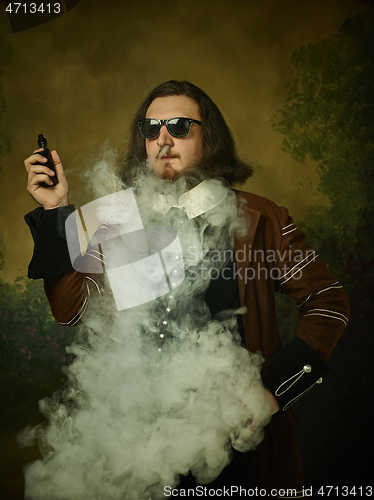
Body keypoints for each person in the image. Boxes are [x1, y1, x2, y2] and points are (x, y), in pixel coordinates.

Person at [24, 81, 349, 498]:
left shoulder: (260, 217)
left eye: (179, 126)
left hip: (233, 441)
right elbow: (71, 310)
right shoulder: (115, 217)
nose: (162, 138)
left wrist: (273, 389)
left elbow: (328, 302)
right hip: (135, 444)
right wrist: (56, 210)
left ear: (208, 138)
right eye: (151, 127)